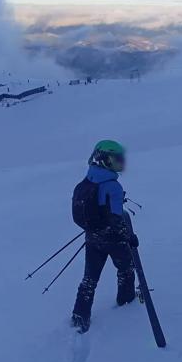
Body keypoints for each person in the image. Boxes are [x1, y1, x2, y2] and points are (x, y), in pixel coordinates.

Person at [71, 140, 139, 333]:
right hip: (113, 239)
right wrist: (129, 236)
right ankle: (126, 301)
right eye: (116, 159)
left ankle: (80, 316)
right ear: (105, 159)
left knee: (89, 278)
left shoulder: (88, 179)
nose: (121, 162)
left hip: (92, 238)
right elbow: (116, 220)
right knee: (126, 269)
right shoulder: (112, 186)